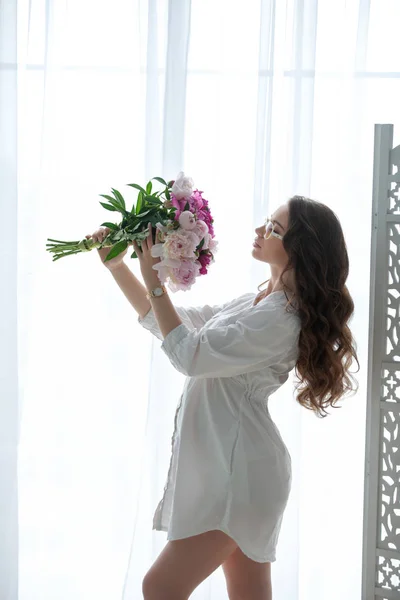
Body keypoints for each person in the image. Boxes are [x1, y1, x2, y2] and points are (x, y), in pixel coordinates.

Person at [87, 195, 359, 600]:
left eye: (274, 229)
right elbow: (173, 326)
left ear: (299, 248)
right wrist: (117, 266)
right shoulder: (259, 301)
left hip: (238, 476)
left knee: (160, 587)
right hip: (237, 468)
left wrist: (156, 281)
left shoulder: (281, 318)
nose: (259, 230)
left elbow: (189, 355)